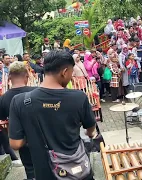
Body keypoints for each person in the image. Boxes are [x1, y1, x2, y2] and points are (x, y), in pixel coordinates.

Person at [9, 51, 96, 180]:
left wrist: (32, 133)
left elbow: (15, 144)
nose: (71, 77)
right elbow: (90, 130)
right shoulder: (79, 98)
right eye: (71, 73)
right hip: (77, 171)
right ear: (65, 71)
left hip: (45, 173)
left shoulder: (20, 101)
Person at [0, 61, 34, 178]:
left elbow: (2, 122)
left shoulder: (3, 99)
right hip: (43, 139)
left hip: (21, 142)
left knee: (30, 170)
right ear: (27, 75)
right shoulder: (37, 92)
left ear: (9, 77)